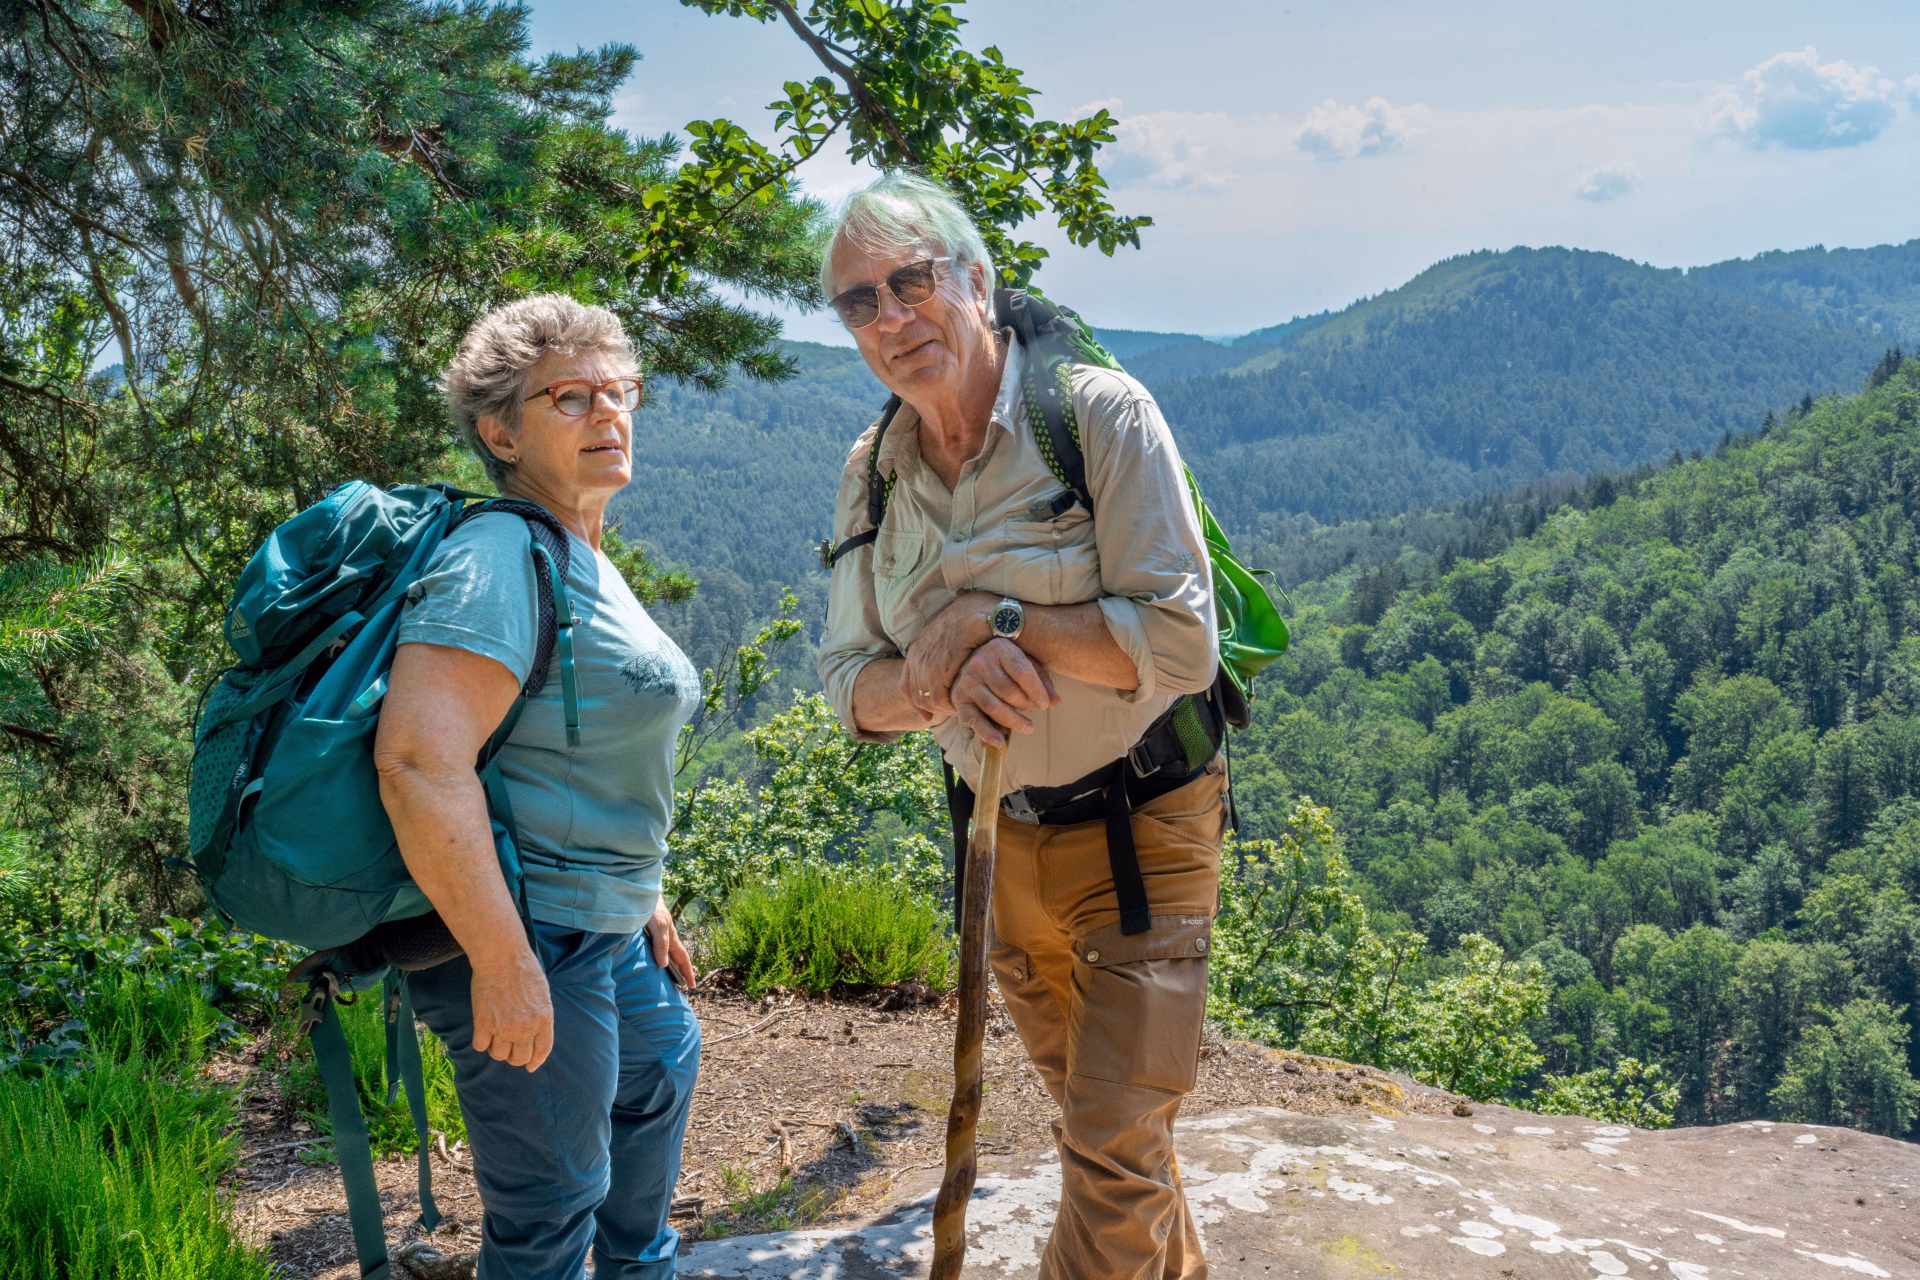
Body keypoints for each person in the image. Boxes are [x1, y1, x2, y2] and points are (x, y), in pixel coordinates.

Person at [817, 173, 1225, 1280]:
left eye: (914, 281)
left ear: (979, 281)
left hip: (1143, 835)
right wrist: (934, 675)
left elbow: (1186, 645)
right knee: (1112, 1143)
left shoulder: (1096, 414)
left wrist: (997, 621)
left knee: (1111, 1154)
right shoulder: (872, 475)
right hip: (998, 851)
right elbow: (852, 686)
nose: (892, 317)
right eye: (861, 301)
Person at [373, 294, 702, 1280]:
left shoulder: (578, 552)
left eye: (621, 391)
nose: (609, 413)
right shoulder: (494, 560)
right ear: (500, 430)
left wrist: (641, 889)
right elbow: (420, 762)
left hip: (595, 919)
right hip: (530, 928)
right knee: (551, 1209)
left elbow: (570, 740)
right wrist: (501, 958)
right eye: (572, 397)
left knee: (658, 1066)